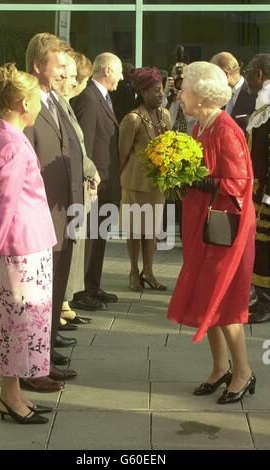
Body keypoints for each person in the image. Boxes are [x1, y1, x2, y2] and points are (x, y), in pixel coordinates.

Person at [167, 62, 256, 404]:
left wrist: (198, 182)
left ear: (201, 96)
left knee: (225, 299)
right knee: (207, 297)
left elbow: (238, 183)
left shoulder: (226, 130)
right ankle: (221, 368)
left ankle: (244, 372)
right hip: (202, 225)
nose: (181, 94)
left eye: (185, 89)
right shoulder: (201, 127)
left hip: (224, 232)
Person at [0, 64, 57, 423]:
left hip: (25, 244)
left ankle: (12, 394)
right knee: (20, 324)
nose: (41, 104)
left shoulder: (5, 135)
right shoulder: (11, 142)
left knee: (21, 323)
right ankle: (10, 397)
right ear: (23, 102)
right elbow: (2, 202)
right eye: (37, 99)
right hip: (21, 248)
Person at [23, 33, 78, 391]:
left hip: (65, 211)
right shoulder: (27, 105)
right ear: (38, 66)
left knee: (56, 287)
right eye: (58, 67)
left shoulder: (56, 100)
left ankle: (46, 351)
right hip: (42, 216)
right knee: (38, 295)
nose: (63, 73)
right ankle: (32, 366)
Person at [71, 52, 123, 311]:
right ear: (108, 71)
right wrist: (89, 179)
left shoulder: (103, 97)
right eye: (119, 72)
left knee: (99, 236)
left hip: (107, 182)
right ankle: (81, 291)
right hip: (96, 183)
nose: (122, 78)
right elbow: (84, 145)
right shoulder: (89, 99)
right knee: (90, 237)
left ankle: (93, 285)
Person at [53, 51, 100, 324]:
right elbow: (73, 149)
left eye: (72, 76)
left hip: (79, 185)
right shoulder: (60, 104)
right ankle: (61, 305)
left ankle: (64, 303)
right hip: (69, 189)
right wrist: (91, 170)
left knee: (76, 247)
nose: (71, 81)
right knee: (69, 247)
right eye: (68, 75)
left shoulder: (66, 103)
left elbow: (78, 146)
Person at [118, 67, 172, 291]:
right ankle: (133, 270)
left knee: (152, 230)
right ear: (142, 92)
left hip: (157, 184)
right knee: (135, 229)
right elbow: (122, 153)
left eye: (161, 90)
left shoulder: (165, 115)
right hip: (134, 184)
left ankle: (148, 271)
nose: (160, 95)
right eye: (155, 91)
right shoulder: (132, 119)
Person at [244, 54, 270, 323]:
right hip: (259, 189)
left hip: (267, 193)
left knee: (264, 247)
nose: (247, 76)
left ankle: (266, 303)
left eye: (249, 71)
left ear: (260, 74)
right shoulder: (263, 103)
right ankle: (261, 298)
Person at [211, 52, 255, 136]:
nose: (211, 81)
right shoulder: (218, 96)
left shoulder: (253, 96)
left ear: (225, 74)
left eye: (212, 75)